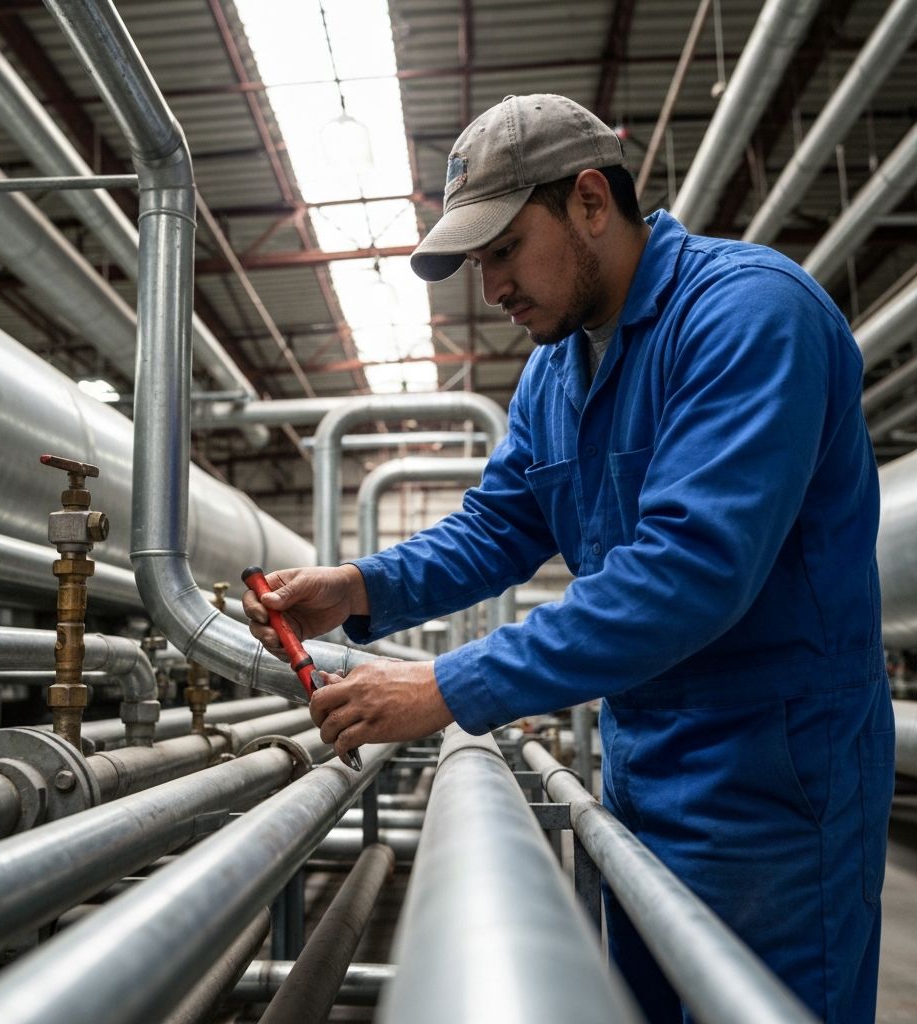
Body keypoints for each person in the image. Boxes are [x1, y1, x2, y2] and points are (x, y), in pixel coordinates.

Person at [242, 94, 894, 1023]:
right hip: (643, 761)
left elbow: (688, 572)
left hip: (776, 779)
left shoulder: (747, 316)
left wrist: (443, 689)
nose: (491, 286)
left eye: (504, 250)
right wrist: (357, 588)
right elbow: (498, 527)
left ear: (591, 200)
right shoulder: (558, 371)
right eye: (478, 262)